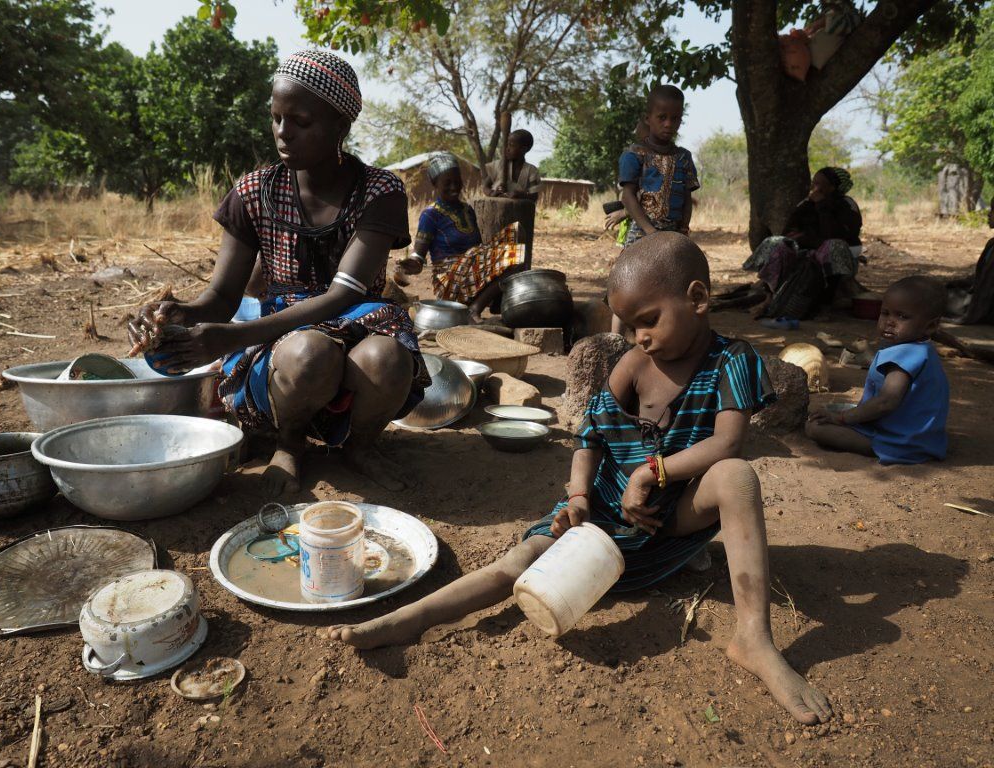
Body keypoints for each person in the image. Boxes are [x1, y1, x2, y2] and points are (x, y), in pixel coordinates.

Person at [325, 232, 834, 726]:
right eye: (630, 325)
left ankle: (755, 638)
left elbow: (727, 444)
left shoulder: (733, 362)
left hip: (671, 515)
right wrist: (577, 498)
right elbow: (588, 439)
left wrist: (651, 470)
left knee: (736, 477)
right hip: (602, 516)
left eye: (649, 320)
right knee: (519, 562)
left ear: (697, 299)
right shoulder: (634, 365)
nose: (639, 337)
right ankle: (412, 619)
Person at [127, 50, 430, 494]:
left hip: (363, 324)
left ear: (341, 127)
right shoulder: (253, 193)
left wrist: (227, 336)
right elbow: (222, 299)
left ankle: (360, 446)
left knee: (385, 359)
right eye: (276, 118)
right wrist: (173, 314)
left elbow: (345, 293)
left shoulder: (379, 191)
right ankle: (288, 443)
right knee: (308, 352)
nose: (282, 133)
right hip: (288, 345)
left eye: (301, 121)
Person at [806, 276, 949, 464]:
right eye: (885, 313)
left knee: (814, 427)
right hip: (922, 438)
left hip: (901, 442)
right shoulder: (922, 349)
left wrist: (842, 418)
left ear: (930, 325)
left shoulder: (903, 357)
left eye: (902, 316)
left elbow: (885, 403)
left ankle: (878, 446)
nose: (890, 322)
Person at [395, 153, 526, 323]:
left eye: (457, 181)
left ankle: (495, 300)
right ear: (435, 184)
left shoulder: (467, 210)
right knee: (511, 255)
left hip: (471, 272)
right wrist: (411, 264)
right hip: (450, 281)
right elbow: (419, 256)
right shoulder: (430, 215)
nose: (454, 187)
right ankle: (474, 310)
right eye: (447, 183)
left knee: (516, 232)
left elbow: (479, 248)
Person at [738, 167, 863, 317]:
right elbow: (788, 231)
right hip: (807, 250)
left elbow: (833, 234)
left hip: (836, 256)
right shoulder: (806, 203)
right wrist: (808, 238)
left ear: (832, 187)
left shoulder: (846, 205)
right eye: (813, 183)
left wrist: (822, 206)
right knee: (775, 243)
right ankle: (770, 297)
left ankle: (826, 304)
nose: (814, 187)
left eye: (819, 184)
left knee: (833, 246)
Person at [618, 85, 700, 245]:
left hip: (674, 234)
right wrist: (651, 232)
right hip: (642, 233)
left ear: (680, 120)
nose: (668, 124)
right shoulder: (634, 155)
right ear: (648, 118)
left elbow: (686, 198)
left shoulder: (683, 157)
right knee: (633, 269)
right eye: (662, 117)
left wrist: (684, 228)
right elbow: (628, 196)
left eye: (675, 118)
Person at [946, 199, 994, 324]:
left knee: (933, 299)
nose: (988, 214)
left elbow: (988, 290)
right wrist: (958, 283)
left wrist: (968, 318)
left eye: (992, 211)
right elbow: (981, 278)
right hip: (979, 300)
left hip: (987, 308)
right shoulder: (991, 243)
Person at [482, 129, 541, 201]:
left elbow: (534, 196)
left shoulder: (531, 170)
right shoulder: (498, 165)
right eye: (507, 145)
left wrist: (521, 195)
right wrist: (492, 193)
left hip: (518, 210)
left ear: (523, 149)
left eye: (511, 145)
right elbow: (485, 187)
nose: (507, 149)